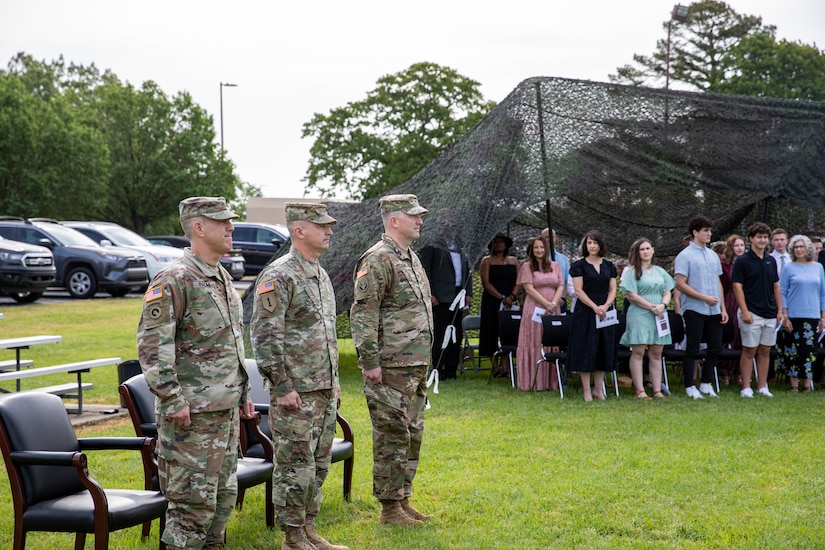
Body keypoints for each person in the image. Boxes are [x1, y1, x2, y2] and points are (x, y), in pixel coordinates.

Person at [137, 196, 255, 550]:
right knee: (192, 508)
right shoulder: (174, 279)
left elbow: (232, 344)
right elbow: (152, 348)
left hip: (224, 411)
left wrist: (243, 394)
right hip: (191, 418)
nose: (231, 227)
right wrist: (172, 399)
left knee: (221, 502)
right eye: (222, 222)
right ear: (199, 228)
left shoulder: (221, 277)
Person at [250, 203, 348, 550]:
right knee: (295, 464)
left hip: (321, 387)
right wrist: (282, 386)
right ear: (299, 230)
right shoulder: (280, 274)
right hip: (295, 391)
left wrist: (334, 381)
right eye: (321, 226)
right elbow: (264, 336)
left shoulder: (319, 273)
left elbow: (327, 334)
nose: (330, 231)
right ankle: (292, 537)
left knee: (319, 462)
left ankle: (308, 528)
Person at [350, 194, 434, 526]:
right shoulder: (378, 260)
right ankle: (388, 509)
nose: (420, 220)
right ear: (393, 220)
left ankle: (402, 499)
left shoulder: (410, 258)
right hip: (390, 366)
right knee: (391, 435)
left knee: (411, 433)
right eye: (413, 216)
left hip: (414, 364)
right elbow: (363, 315)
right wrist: (369, 360)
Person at [674, 215, 728, 399]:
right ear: (695, 232)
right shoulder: (685, 256)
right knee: (693, 348)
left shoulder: (713, 255)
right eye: (705, 230)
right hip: (694, 309)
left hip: (715, 310)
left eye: (710, 230)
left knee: (715, 348)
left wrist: (723, 308)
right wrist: (703, 297)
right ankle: (690, 385)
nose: (709, 234)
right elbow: (680, 284)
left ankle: (706, 384)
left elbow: (718, 282)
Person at [731, 222, 782, 398]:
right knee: (749, 350)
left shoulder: (771, 260)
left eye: (765, 237)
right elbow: (737, 287)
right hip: (751, 313)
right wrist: (744, 311)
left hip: (770, 313)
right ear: (751, 239)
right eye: (759, 237)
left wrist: (780, 310)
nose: (762, 240)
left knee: (765, 350)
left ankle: (762, 386)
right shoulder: (743, 261)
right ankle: (746, 387)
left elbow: (776, 286)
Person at [619, 238, 674, 399]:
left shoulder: (660, 271)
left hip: (659, 314)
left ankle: (657, 389)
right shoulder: (631, 272)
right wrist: (651, 306)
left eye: (647, 248)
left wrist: (662, 305)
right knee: (638, 352)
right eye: (642, 249)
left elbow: (667, 290)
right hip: (640, 314)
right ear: (637, 253)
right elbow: (631, 295)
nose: (645, 252)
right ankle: (640, 390)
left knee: (656, 353)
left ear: (653, 250)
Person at [567, 229, 618, 402]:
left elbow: (613, 289)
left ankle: (598, 389)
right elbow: (578, 290)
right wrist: (594, 307)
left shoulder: (609, 266)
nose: (592, 246)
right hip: (585, 312)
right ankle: (587, 390)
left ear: (601, 244)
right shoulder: (578, 266)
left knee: (602, 348)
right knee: (586, 349)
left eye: (595, 242)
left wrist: (606, 305)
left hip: (605, 312)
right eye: (589, 243)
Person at [419, 228, 472, 380]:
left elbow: (468, 270)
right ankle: (437, 369)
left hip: (458, 295)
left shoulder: (461, 244)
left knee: (456, 334)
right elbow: (425, 270)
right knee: (440, 334)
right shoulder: (432, 243)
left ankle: (451, 370)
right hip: (440, 298)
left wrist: (468, 292)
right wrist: (431, 294)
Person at [515, 235, 564, 391]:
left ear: (546, 249)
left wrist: (553, 304)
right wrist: (546, 304)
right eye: (536, 247)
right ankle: (534, 381)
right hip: (535, 309)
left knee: (551, 343)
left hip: (553, 309)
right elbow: (529, 289)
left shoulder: (555, 265)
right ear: (532, 250)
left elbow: (561, 285)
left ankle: (551, 382)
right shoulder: (527, 267)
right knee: (535, 342)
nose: (539, 250)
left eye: (542, 247)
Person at [778, 234, 825, 392]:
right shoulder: (789, 267)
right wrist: (785, 315)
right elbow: (782, 292)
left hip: (813, 316)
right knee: (793, 350)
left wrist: (823, 317)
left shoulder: (818, 267)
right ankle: (793, 385)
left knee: (810, 351)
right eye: (795, 247)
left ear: (808, 249)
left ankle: (807, 385)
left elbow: (822, 294)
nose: (798, 250)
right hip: (793, 315)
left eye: (801, 246)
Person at [478, 233, 520, 377]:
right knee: (492, 332)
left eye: (502, 242)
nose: (499, 244)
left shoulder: (513, 261)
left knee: (508, 333)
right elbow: (486, 282)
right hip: (492, 301)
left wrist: (512, 296)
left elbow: (519, 281)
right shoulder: (487, 260)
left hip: (511, 301)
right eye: (496, 242)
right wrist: (502, 297)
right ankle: (495, 367)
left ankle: (507, 367)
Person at [719, 234, 746, 384]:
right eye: (736, 245)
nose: (740, 248)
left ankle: (740, 373)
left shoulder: (747, 263)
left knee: (743, 338)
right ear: (731, 247)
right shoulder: (725, 265)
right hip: (729, 302)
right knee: (729, 335)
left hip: (746, 302)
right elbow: (721, 287)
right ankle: (724, 373)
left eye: (742, 245)